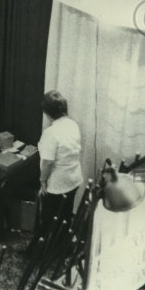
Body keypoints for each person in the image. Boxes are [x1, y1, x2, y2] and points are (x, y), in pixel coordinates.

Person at [33, 91, 83, 247]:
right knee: (65, 216)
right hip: (74, 179)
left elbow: (47, 163)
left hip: (58, 184)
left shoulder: (50, 133)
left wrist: (42, 182)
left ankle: (40, 250)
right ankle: (62, 246)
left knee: (47, 219)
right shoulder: (72, 124)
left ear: (47, 113)